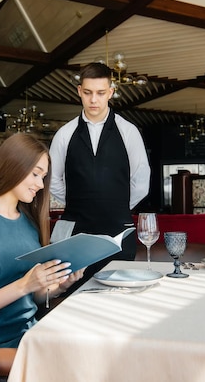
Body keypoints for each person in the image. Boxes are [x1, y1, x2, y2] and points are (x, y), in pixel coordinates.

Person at [0, 133, 84, 348]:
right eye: (36, 174)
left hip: (29, 336)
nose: (40, 184)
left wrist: (59, 285)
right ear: (14, 166)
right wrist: (23, 285)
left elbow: (33, 296)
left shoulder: (29, 222)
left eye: (44, 177)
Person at [50, 62, 151, 281]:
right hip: (75, 234)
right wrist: (79, 200)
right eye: (87, 93)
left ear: (111, 93)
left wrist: (114, 204)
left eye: (100, 93)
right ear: (79, 92)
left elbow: (141, 181)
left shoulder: (129, 131)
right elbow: (53, 180)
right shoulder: (64, 134)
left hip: (119, 230)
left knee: (118, 294)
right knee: (74, 294)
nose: (93, 99)